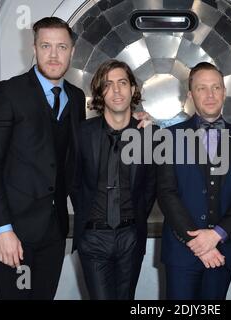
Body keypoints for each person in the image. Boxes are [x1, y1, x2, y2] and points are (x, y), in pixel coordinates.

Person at [0, 17, 86, 299]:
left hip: (53, 232)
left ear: (72, 51)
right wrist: (3, 230)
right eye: (46, 46)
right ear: (34, 48)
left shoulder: (76, 98)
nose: (54, 55)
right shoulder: (7, 92)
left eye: (61, 46)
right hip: (13, 232)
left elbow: (74, 161)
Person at [157, 62, 231, 299]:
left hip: (223, 250)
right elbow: (166, 193)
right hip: (181, 252)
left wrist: (216, 235)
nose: (210, 94)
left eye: (216, 87)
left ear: (224, 92)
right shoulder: (168, 138)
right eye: (202, 88)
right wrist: (199, 244)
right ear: (190, 95)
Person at [70, 60, 157, 300]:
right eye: (108, 85)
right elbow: (74, 184)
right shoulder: (81, 133)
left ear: (132, 89)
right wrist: (88, 224)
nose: (117, 91)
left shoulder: (150, 135)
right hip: (93, 237)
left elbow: (151, 188)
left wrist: (135, 219)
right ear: (99, 92)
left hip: (131, 236)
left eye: (122, 83)